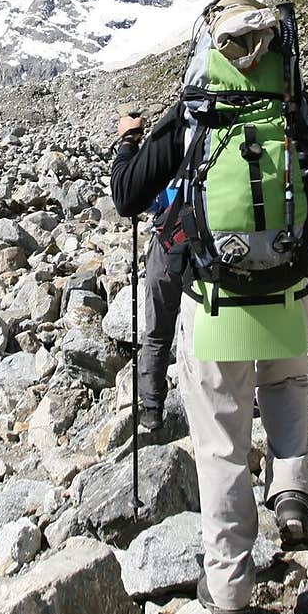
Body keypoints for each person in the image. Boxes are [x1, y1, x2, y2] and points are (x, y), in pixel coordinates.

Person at [111, 0, 308, 614]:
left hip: (217, 303)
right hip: (291, 292)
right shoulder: (291, 102)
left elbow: (129, 196)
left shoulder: (196, 108)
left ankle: (229, 596)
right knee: (286, 384)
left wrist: (127, 140)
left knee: (221, 445)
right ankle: (294, 490)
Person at [138, 183, 189, 430]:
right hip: (209, 250)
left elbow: (148, 203)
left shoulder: (165, 152)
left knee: (157, 330)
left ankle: (152, 406)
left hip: (167, 246)